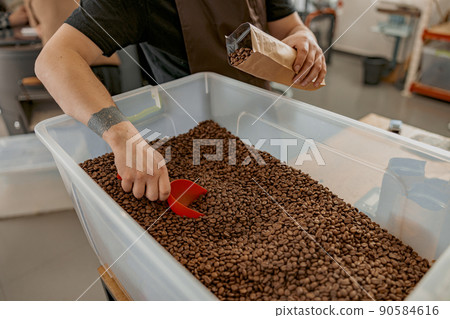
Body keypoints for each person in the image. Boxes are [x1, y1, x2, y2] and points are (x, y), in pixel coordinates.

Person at [35, 0, 327, 202]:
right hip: (186, 145)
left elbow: (289, 27)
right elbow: (55, 60)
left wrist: (303, 38)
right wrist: (124, 137)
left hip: (260, 127)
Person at [24, 0, 122, 95]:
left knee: (86, 111)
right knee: (121, 107)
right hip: (103, 58)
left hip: (66, 67)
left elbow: (38, 29)